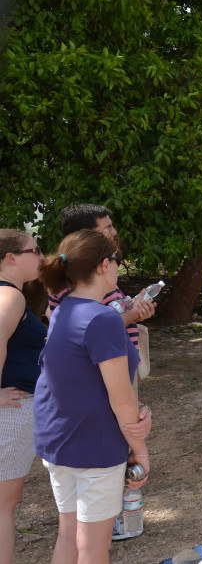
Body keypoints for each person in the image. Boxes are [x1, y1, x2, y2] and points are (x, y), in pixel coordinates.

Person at [35, 230, 151, 563]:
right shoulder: (103, 319)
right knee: (93, 548)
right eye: (117, 259)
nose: (118, 266)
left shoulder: (63, 310)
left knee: (69, 537)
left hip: (58, 441)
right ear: (104, 265)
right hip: (93, 447)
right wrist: (141, 454)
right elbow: (122, 400)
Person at [46, 204, 155, 349]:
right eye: (108, 228)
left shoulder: (92, 271)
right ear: (85, 234)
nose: (114, 232)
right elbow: (92, 327)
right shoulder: (77, 275)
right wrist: (132, 314)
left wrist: (133, 309)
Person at [0, 230, 45, 564]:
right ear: (10, 258)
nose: (41, 257)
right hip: (10, 412)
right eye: (35, 250)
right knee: (3, 505)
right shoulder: (9, 297)